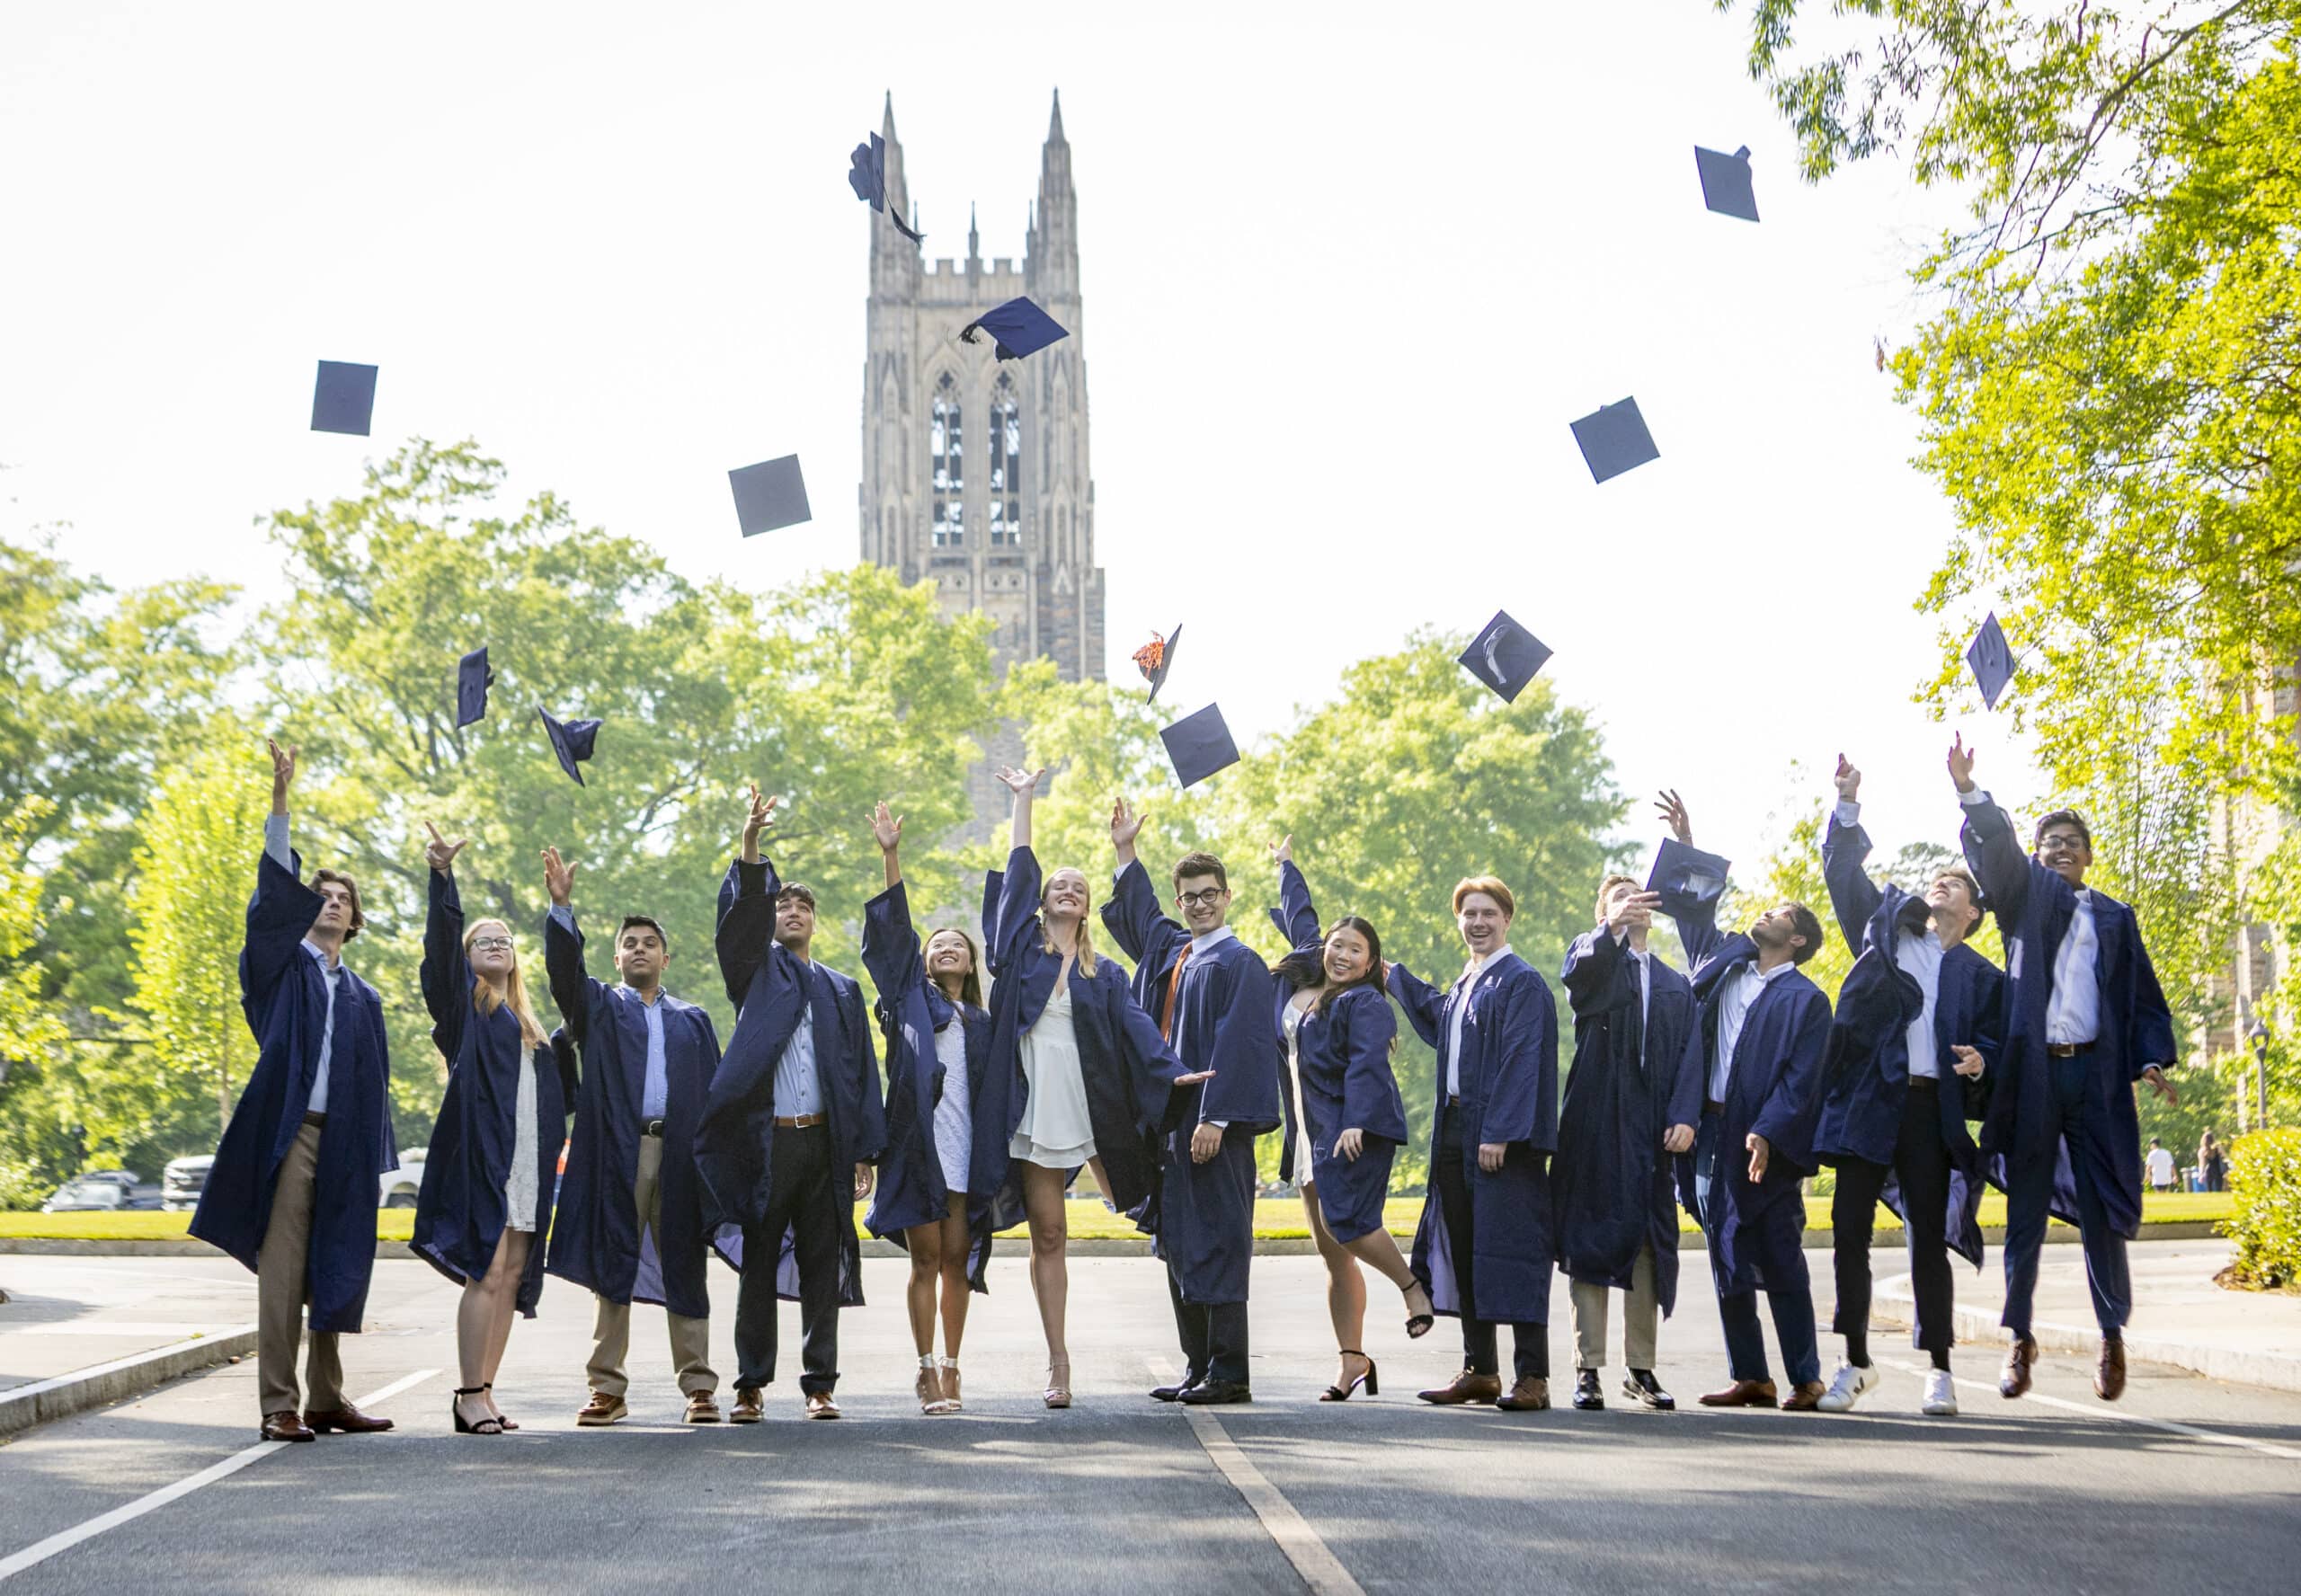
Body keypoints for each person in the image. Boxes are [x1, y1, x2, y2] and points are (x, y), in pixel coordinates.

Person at [1951, 735, 2179, 1402]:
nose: (2060, 849)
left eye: (2071, 843)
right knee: (2025, 1213)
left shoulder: (2116, 917)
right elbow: (1997, 852)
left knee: (2104, 1210)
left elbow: (2140, 998)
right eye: (2049, 842)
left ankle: (2112, 1337)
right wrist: (1971, 791)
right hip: (2034, 1077)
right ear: (2037, 856)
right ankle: (2019, 1339)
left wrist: (2150, 1058)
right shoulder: (2025, 899)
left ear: (2088, 856)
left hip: (2096, 1079)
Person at [191, 739, 396, 1443]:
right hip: (292, 1136)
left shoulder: (365, 996)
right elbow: (271, 900)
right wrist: (280, 803)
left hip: (346, 1145)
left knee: (338, 1264)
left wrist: (374, 1155)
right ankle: (279, 1401)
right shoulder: (282, 971)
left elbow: (376, 1087)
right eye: (324, 895)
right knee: (282, 1275)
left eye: (343, 900)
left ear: (355, 918)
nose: (333, 904)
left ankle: (327, 1398)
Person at [980, 769, 1206, 1405]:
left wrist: (1173, 1072)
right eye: (1061, 885)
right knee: (1049, 1235)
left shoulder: (1103, 973)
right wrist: (1022, 802)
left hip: (1093, 1105)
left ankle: (1206, 1330)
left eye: (1080, 887)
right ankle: (1059, 1362)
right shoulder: (1018, 952)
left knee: (1153, 1205)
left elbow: (1138, 1031)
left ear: (1086, 906)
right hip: (1033, 1107)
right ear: (1045, 900)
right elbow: (1020, 870)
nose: (1070, 890)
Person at [1814, 756, 2003, 1418]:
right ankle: (1855, 1362)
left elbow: (2002, 1048)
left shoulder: (1982, 979)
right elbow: (1842, 876)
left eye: (1953, 883)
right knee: (1846, 1230)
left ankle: (1940, 1370)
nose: (1939, 888)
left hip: (1930, 1110)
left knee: (1928, 1235)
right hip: (1872, 1101)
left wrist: (1983, 1062)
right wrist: (1846, 802)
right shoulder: (1888, 938)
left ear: (1974, 912)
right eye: (1935, 881)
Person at [695, 786, 885, 1422]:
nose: (792, 912)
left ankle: (820, 1383)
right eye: (783, 905)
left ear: (815, 919)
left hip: (823, 1141)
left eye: (802, 906)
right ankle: (750, 1384)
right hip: (766, 1141)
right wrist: (751, 844)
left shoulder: (841, 990)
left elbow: (861, 1072)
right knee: (756, 1264)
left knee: (819, 1266)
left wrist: (865, 1150)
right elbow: (743, 916)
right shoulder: (755, 973)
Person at [1655, 790, 1835, 1412]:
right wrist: (1686, 843)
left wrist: (1767, 1131)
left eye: (1779, 912)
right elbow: (1691, 911)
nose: (1765, 913)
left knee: (1779, 1254)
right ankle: (1751, 1375)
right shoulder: (1726, 965)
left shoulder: (1807, 1001)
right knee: (1724, 1250)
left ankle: (1806, 1376)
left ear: (1799, 939)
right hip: (1708, 1132)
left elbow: (1802, 1079)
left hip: (1763, 1142)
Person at [540, 844, 728, 1427]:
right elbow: (565, 978)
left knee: (685, 1266)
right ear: (616, 958)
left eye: (650, 943)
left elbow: (718, 1093)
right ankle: (607, 1388)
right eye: (629, 943)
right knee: (611, 1263)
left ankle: (698, 1386)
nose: (639, 949)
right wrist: (562, 909)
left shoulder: (691, 1020)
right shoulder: (599, 1008)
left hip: (680, 1157)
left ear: (666, 959)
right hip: (619, 1154)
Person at [1104, 801, 1281, 1406]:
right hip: (1172, 1128)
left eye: (1210, 894)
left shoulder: (1241, 963)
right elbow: (1139, 917)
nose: (1200, 904)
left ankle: (1230, 1371)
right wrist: (1127, 850)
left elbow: (1245, 1043)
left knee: (1221, 1241)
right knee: (1180, 1243)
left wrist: (1217, 1116)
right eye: (1190, 897)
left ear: (1227, 896)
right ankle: (1197, 1364)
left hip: (1213, 1128)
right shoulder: (1177, 953)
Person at [413, 822, 571, 1437]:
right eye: (483, 939)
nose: (497, 942)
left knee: (512, 1273)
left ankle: (487, 1390)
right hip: (488, 1159)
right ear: (467, 957)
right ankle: (467, 1392)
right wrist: (442, 880)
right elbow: (437, 950)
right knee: (487, 1266)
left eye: (504, 938)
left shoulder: (532, 1031)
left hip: (529, 1160)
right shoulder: (465, 1015)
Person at [1265, 838, 1435, 1401]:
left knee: (1350, 1224)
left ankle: (1412, 1286)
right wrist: (1286, 866)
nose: (1342, 955)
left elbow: (1366, 1064)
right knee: (1333, 1255)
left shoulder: (1365, 1002)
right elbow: (1302, 917)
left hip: (1348, 1131)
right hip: (1309, 1138)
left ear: (1371, 962)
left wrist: (1356, 1123)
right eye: (1337, 945)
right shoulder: (1310, 982)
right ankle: (1353, 1360)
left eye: (1355, 950)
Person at [1390, 873, 1562, 1413]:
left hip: (1499, 1136)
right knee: (1465, 1249)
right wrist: (1392, 976)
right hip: (1456, 1130)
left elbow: (1522, 1058)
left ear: (1507, 919)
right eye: (1470, 914)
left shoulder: (1520, 982)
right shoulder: (1467, 983)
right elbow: (1439, 1020)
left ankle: (1532, 1376)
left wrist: (1501, 1132)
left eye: (1489, 913)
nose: (1479, 923)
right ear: (1458, 921)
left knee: (1515, 1249)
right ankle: (1480, 1369)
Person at [860, 801, 998, 1414]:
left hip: (967, 1145)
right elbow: (893, 935)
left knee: (957, 1263)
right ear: (924, 961)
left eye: (956, 945)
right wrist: (891, 856)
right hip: (920, 1143)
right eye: (936, 944)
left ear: (970, 964)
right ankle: (924, 1371)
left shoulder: (984, 1021)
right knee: (924, 1259)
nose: (946, 948)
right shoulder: (910, 1002)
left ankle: (953, 1364)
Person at [1556, 875, 1702, 1413]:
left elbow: (1692, 1053)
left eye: (1639, 897)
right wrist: (1609, 930)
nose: (1632, 904)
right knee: (1590, 1243)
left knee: (1648, 1244)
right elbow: (1578, 973)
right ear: (1603, 913)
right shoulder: (1592, 960)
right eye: (1620, 898)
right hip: (1597, 1120)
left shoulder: (1674, 984)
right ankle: (1587, 1368)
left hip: (1651, 1128)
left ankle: (1640, 1367)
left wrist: (1685, 1114)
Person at [2199, 1130, 2227, 1194]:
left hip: (2209, 1171)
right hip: (2218, 1170)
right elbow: (2225, 1157)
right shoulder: (2218, 1147)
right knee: (2219, 1189)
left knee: (2209, 1190)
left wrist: (2201, 1174)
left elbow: (2202, 1164)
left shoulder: (2203, 1150)